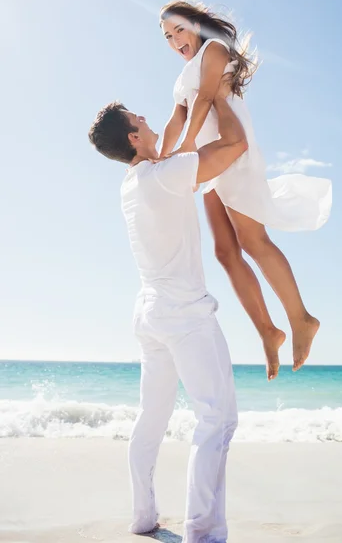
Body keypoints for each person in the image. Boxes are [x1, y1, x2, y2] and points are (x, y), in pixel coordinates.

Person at [88, 79, 245, 543]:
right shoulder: (166, 174)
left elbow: (172, 144)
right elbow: (235, 144)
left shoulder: (133, 183)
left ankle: (142, 517)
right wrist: (215, 97)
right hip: (184, 315)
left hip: (149, 313)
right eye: (138, 118)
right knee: (217, 419)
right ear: (134, 137)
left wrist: (184, 105)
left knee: (151, 418)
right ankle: (203, 531)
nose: (146, 118)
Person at [159, 0, 332, 380]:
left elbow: (206, 98)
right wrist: (160, 157)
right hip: (207, 163)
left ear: (196, 24)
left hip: (230, 151)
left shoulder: (214, 49)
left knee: (253, 240)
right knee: (225, 251)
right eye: (167, 37)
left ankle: (301, 319)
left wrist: (188, 145)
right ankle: (268, 332)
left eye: (178, 30)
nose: (174, 41)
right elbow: (176, 117)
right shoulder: (182, 74)